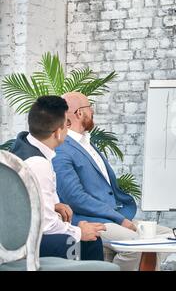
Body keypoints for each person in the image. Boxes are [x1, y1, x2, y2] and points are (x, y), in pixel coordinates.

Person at [52, 92, 171, 271]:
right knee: (137, 245)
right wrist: (119, 219)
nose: (92, 111)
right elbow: (74, 197)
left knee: (167, 236)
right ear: (79, 113)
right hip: (91, 220)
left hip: (114, 217)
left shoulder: (88, 143)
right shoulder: (62, 149)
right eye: (89, 107)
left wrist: (120, 217)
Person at [11, 96, 106, 260]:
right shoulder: (38, 163)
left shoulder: (22, 145)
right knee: (91, 240)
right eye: (65, 125)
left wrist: (53, 205)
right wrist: (79, 232)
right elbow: (47, 226)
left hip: (14, 234)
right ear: (58, 132)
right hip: (24, 243)